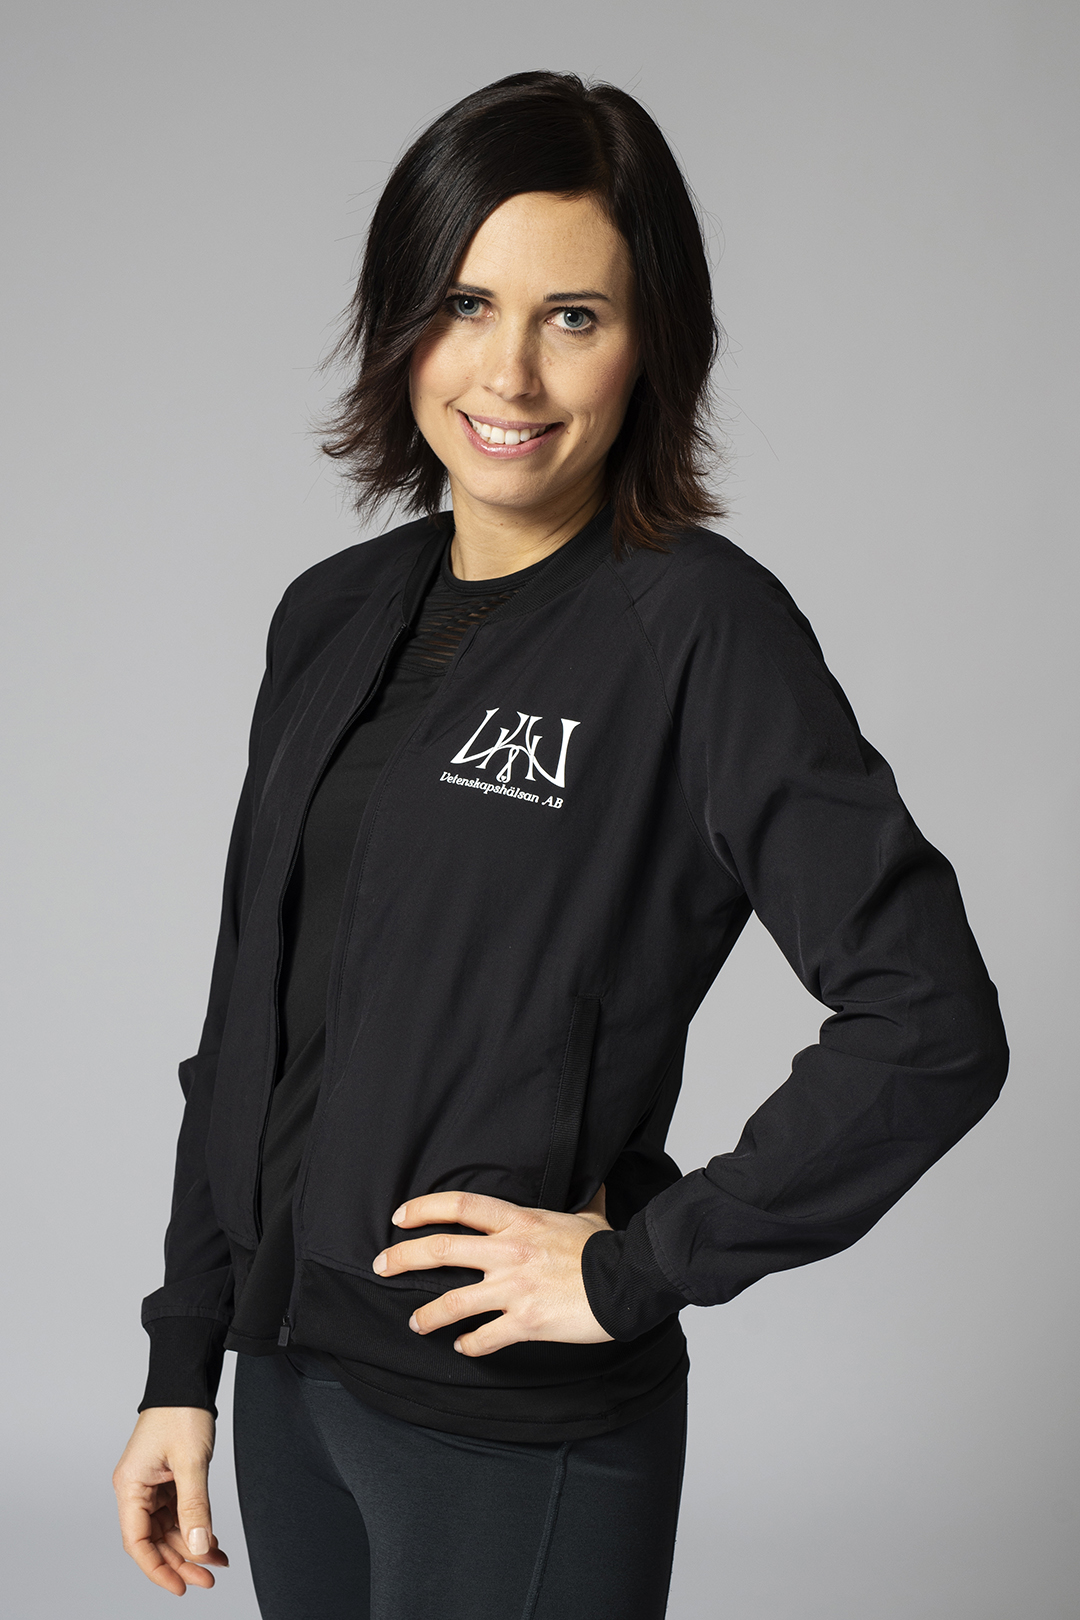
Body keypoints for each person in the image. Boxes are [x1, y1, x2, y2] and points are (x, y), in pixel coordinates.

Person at [112, 71, 1008, 1620]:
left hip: (514, 1434)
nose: (510, 371)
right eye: (467, 303)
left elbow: (932, 1022)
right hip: (288, 1397)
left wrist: (634, 1267)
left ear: (654, 342)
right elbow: (246, 1025)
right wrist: (182, 1361)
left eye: (574, 316)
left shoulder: (700, 629)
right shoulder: (330, 618)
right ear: (400, 321)